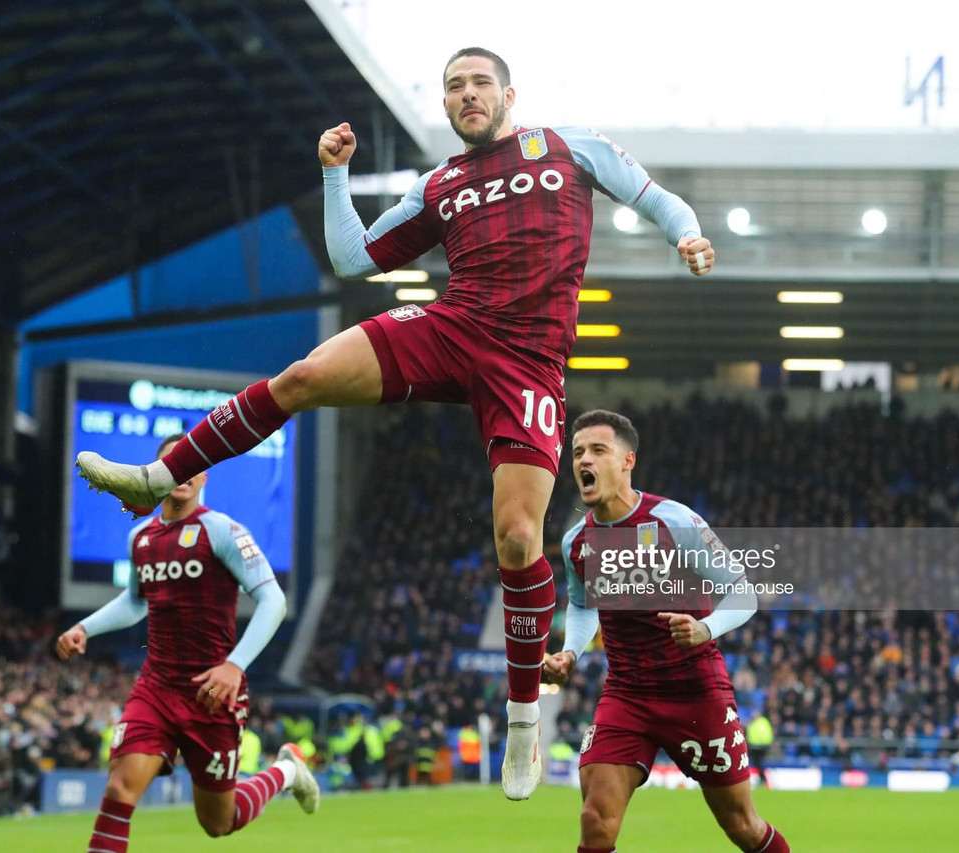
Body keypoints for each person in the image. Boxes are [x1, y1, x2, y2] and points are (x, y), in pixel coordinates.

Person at [74, 46, 712, 801]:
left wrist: (687, 233)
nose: (466, 94)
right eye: (453, 87)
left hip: (528, 362)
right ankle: (160, 474)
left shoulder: (568, 147)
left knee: (516, 536)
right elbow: (352, 258)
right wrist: (334, 173)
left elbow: (657, 198)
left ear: (509, 93)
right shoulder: (441, 183)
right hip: (453, 325)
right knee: (305, 375)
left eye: (479, 83)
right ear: (445, 105)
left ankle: (521, 724)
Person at [56, 434, 319, 853]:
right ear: (155, 475)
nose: (181, 471)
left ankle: (285, 772)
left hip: (212, 692)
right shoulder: (140, 539)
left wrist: (235, 665)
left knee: (218, 822)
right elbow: (134, 601)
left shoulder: (222, 531)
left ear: (204, 475)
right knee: (120, 788)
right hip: (156, 687)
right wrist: (85, 628)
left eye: (189, 462)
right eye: (171, 464)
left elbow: (273, 600)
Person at [544, 410, 791, 853]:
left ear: (627, 460)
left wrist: (705, 628)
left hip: (695, 692)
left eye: (599, 450)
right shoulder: (576, 541)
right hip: (626, 696)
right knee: (595, 820)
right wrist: (570, 653)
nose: (585, 460)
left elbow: (743, 593)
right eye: (578, 452)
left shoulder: (674, 521)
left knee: (743, 827)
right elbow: (583, 606)